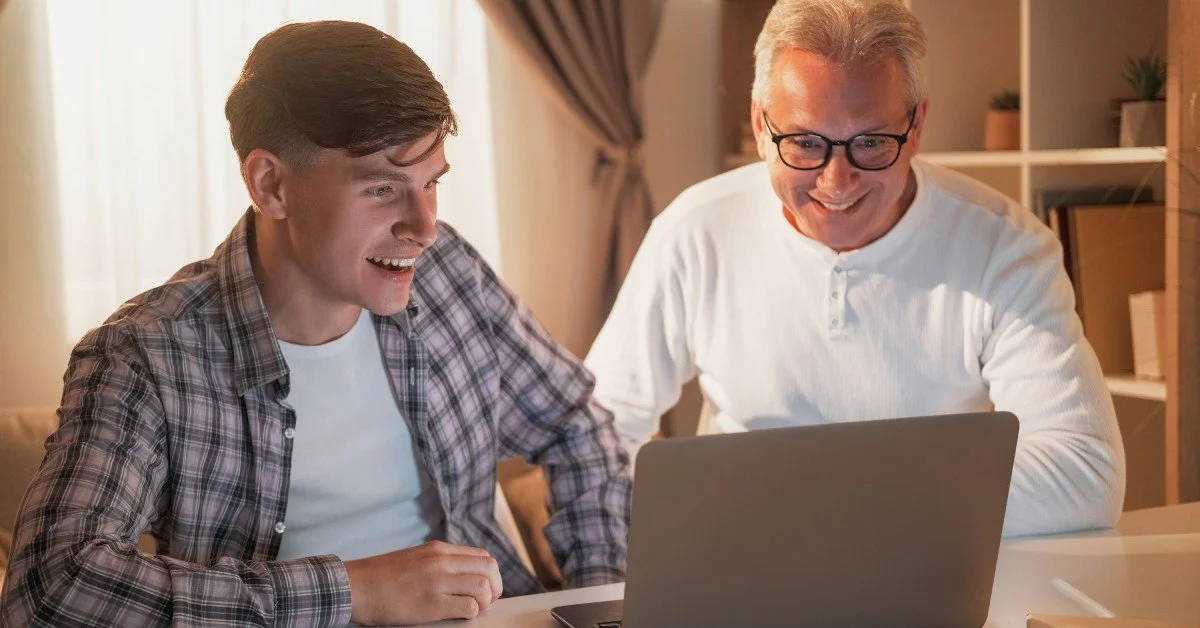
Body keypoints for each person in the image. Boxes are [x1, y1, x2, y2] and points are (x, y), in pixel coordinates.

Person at [1, 21, 631, 627]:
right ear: (271, 185)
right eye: (383, 189)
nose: (424, 226)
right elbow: (50, 587)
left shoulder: (448, 275)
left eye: (431, 183)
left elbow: (574, 424)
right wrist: (352, 590)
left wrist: (605, 601)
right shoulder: (146, 354)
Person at [585, 0, 1124, 538]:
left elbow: (1085, 471)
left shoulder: (1002, 246)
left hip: (933, 579)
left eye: (870, 142)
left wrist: (817, 504)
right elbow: (595, 434)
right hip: (740, 569)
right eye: (803, 143)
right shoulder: (695, 232)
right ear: (759, 125)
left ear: (916, 127)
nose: (836, 182)